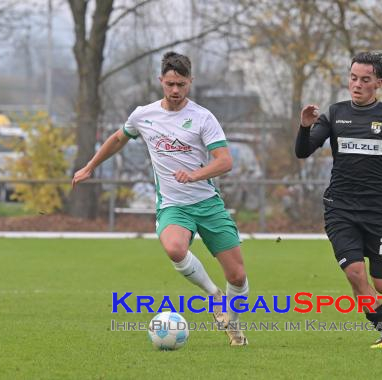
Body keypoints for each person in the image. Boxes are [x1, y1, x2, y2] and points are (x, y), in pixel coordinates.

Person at [72, 52, 249, 346]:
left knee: (238, 275)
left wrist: (195, 175)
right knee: (174, 249)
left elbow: (225, 161)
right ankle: (213, 296)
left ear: (190, 82)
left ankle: (235, 327)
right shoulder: (144, 115)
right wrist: (90, 166)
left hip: (207, 204)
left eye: (181, 84)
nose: (176, 90)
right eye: (170, 84)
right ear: (161, 81)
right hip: (173, 205)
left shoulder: (203, 118)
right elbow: (118, 138)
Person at [296, 52, 382, 349]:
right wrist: (305, 127)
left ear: (378, 83)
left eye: (365, 79)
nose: (356, 84)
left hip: (378, 212)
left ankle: (374, 302)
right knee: (356, 273)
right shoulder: (334, 114)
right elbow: (303, 152)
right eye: (353, 77)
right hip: (339, 208)